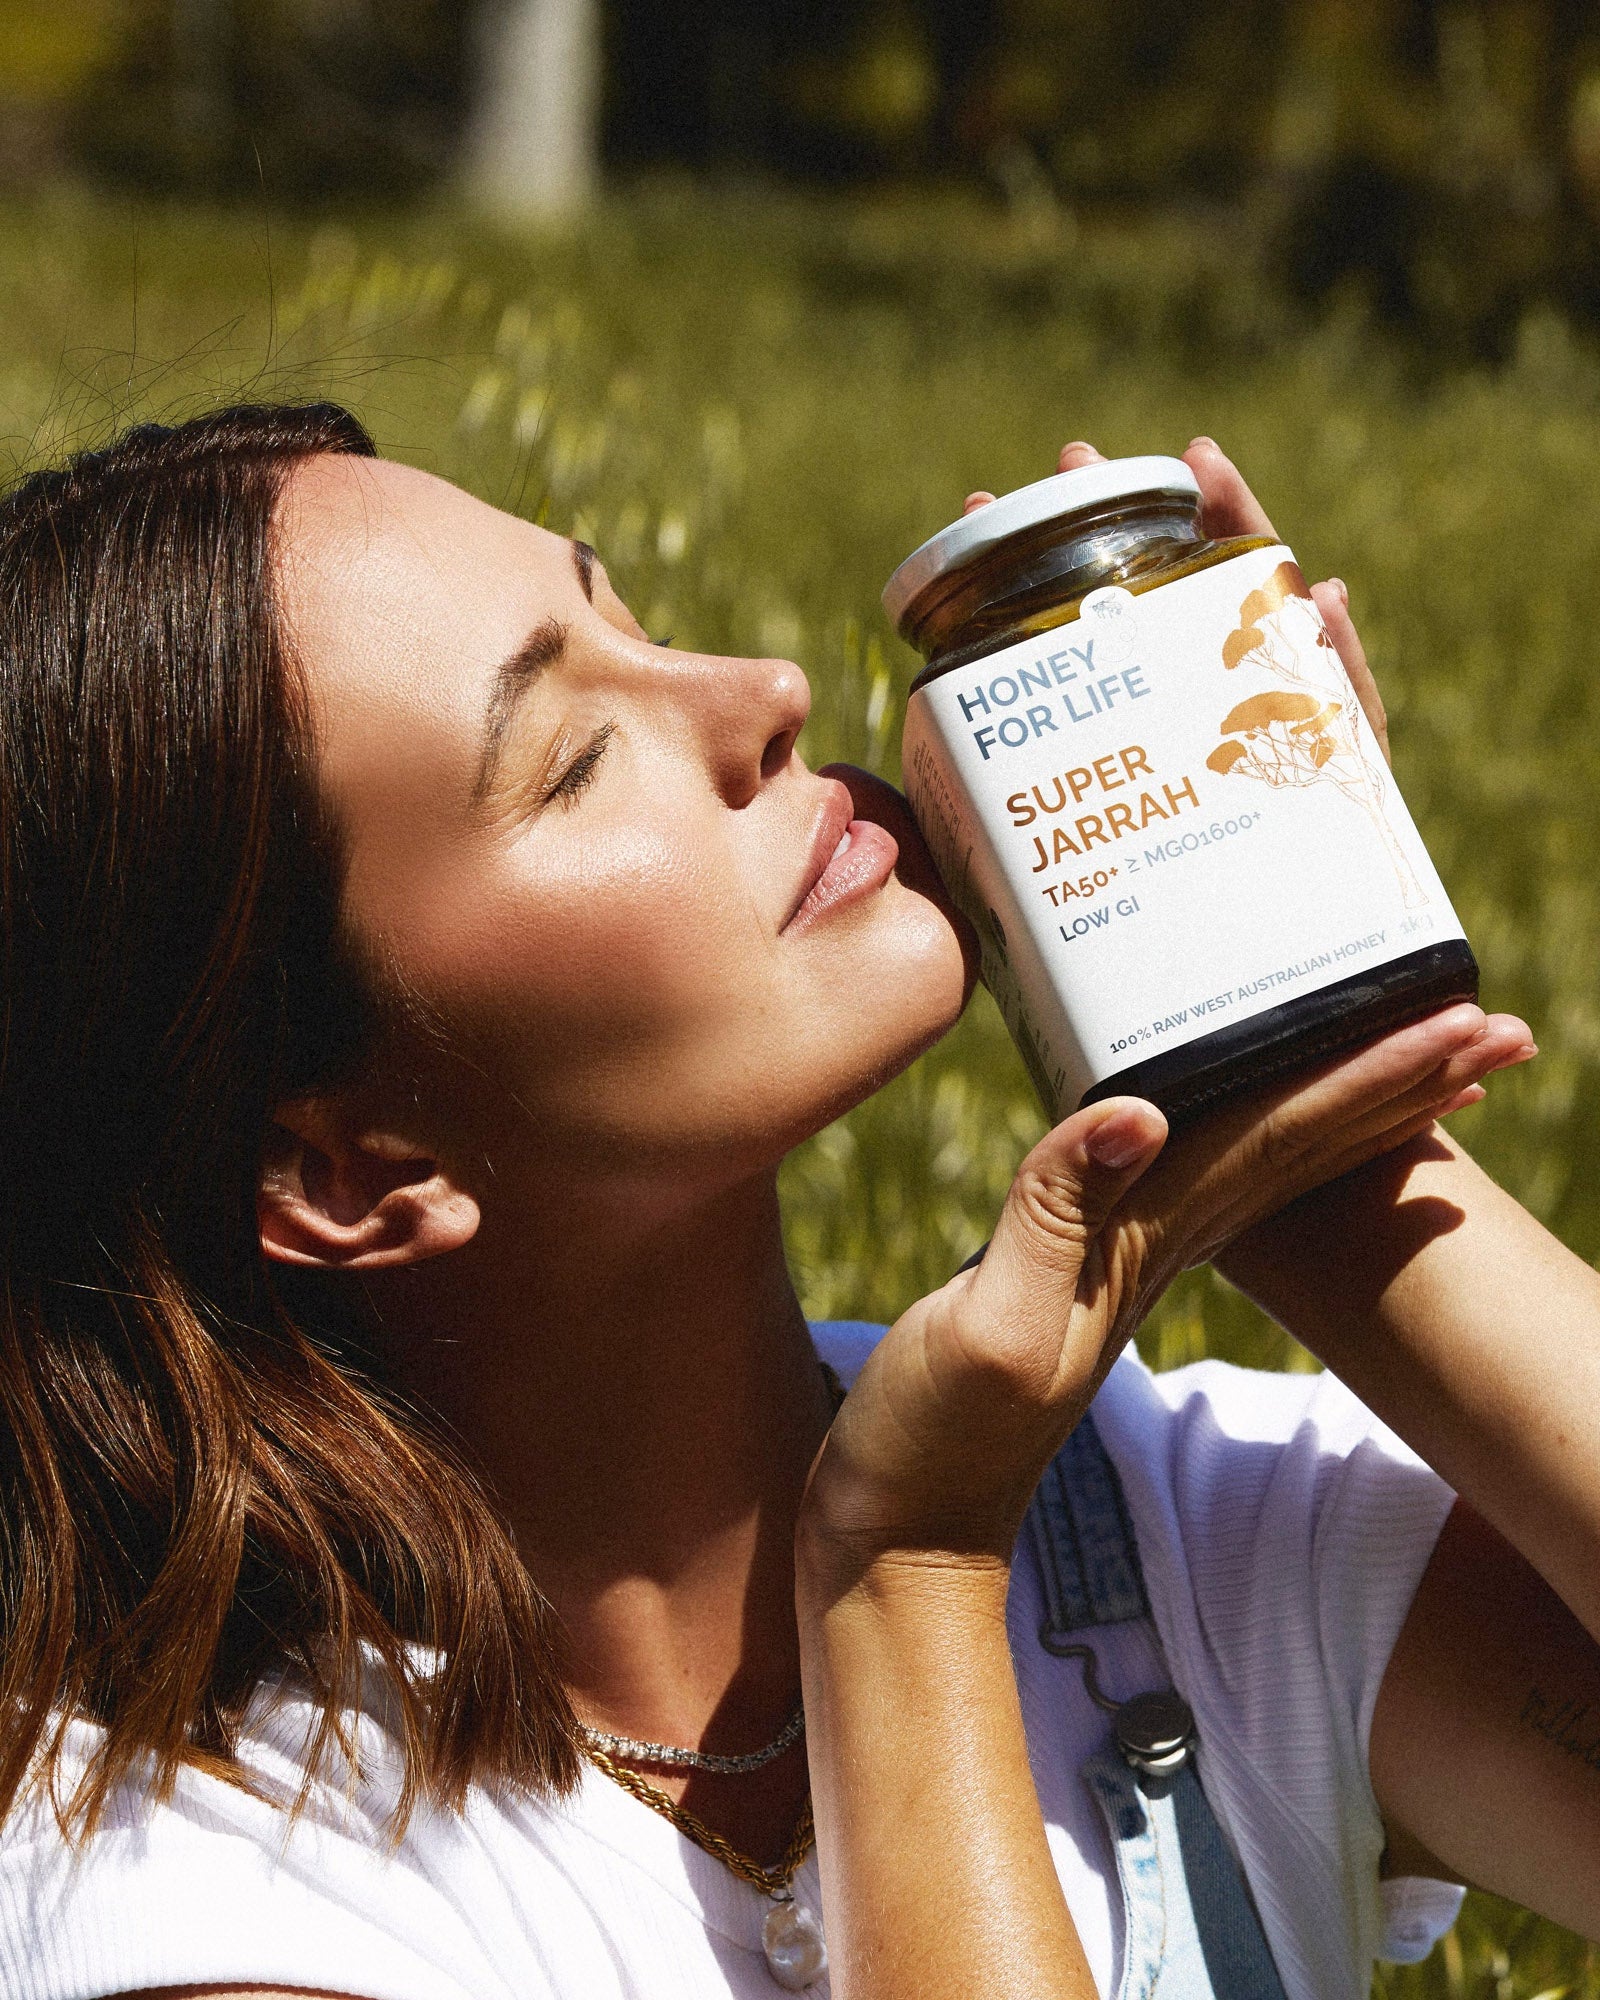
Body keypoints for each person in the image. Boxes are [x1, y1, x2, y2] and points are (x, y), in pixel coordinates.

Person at [0, 404, 1591, 2000]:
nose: (763, 695)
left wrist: (1290, 1084)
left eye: (628, 615)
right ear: (356, 1171)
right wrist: (904, 1571)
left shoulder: (1186, 1539)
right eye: (567, 761)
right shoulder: (191, 1888)